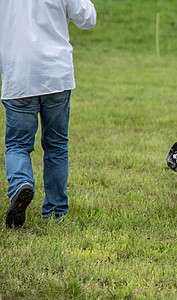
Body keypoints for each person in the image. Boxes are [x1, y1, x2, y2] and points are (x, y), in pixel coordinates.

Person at [0, 0, 97, 228]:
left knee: (17, 145)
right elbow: (87, 19)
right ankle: (55, 211)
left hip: (18, 74)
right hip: (56, 74)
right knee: (56, 144)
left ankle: (21, 185)